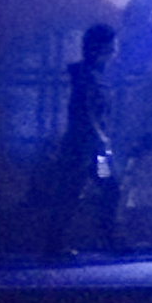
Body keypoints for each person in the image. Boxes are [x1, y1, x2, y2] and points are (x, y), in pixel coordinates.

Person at [42, 23, 122, 260]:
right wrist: (102, 141)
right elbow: (87, 112)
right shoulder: (86, 77)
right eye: (111, 47)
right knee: (77, 191)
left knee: (96, 189)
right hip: (85, 149)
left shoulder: (92, 75)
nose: (114, 52)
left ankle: (65, 242)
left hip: (89, 148)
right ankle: (62, 243)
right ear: (101, 48)